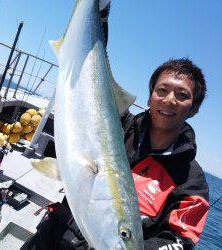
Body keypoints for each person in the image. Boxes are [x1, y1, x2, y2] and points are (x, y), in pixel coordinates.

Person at [21, 4, 209, 250]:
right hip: (53, 235)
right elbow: (94, 66)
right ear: (150, 97)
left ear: (194, 108)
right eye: (162, 90)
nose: (169, 99)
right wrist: (100, 9)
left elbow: (180, 240)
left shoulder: (191, 180)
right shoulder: (119, 124)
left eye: (182, 95)